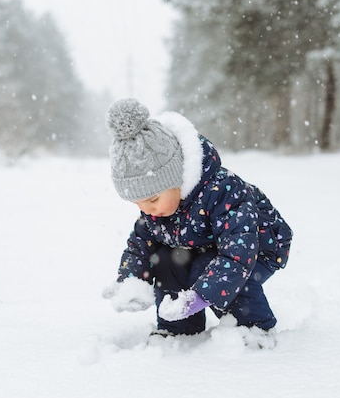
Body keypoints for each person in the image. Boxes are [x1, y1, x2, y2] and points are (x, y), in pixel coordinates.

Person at [102, 98, 293, 340]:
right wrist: (131, 281)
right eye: (137, 203)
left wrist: (202, 294)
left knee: (208, 268)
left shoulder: (222, 191)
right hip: (205, 247)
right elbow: (140, 246)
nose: (147, 210)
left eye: (152, 200)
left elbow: (238, 254)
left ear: (175, 179)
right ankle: (179, 327)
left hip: (258, 247)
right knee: (166, 258)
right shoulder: (158, 210)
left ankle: (254, 329)